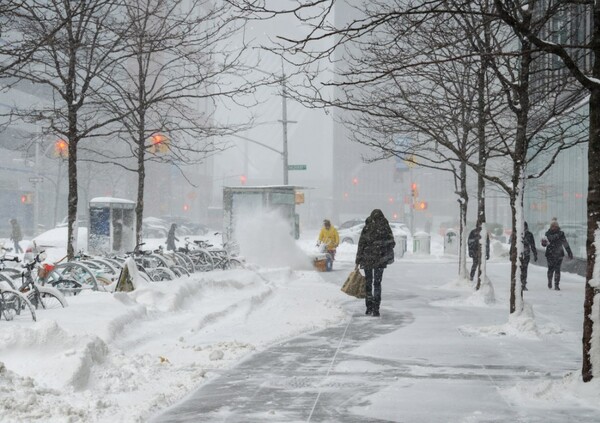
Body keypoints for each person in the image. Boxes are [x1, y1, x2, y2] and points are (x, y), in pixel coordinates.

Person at [355, 209, 395, 317]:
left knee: (368, 283)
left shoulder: (367, 227)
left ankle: (369, 308)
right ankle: (376, 308)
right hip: (380, 260)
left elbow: (361, 244)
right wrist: (382, 248)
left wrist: (358, 260)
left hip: (367, 260)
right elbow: (392, 243)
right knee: (377, 284)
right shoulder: (385, 227)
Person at [544, 219, 573, 291]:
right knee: (550, 269)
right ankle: (550, 281)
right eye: (552, 226)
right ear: (551, 227)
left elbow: (565, 243)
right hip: (550, 254)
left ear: (557, 227)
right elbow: (544, 243)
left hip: (559, 254)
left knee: (557, 270)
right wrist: (543, 243)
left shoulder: (561, 234)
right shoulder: (547, 234)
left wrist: (569, 252)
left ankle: (556, 284)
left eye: (555, 226)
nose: (554, 227)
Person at [519, 222, 538, 291]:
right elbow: (513, 244)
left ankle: (523, 284)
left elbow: (533, 245)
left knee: (524, 269)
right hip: (519, 254)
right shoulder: (518, 233)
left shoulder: (529, 234)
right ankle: (519, 283)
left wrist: (535, 254)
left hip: (526, 254)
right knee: (519, 269)